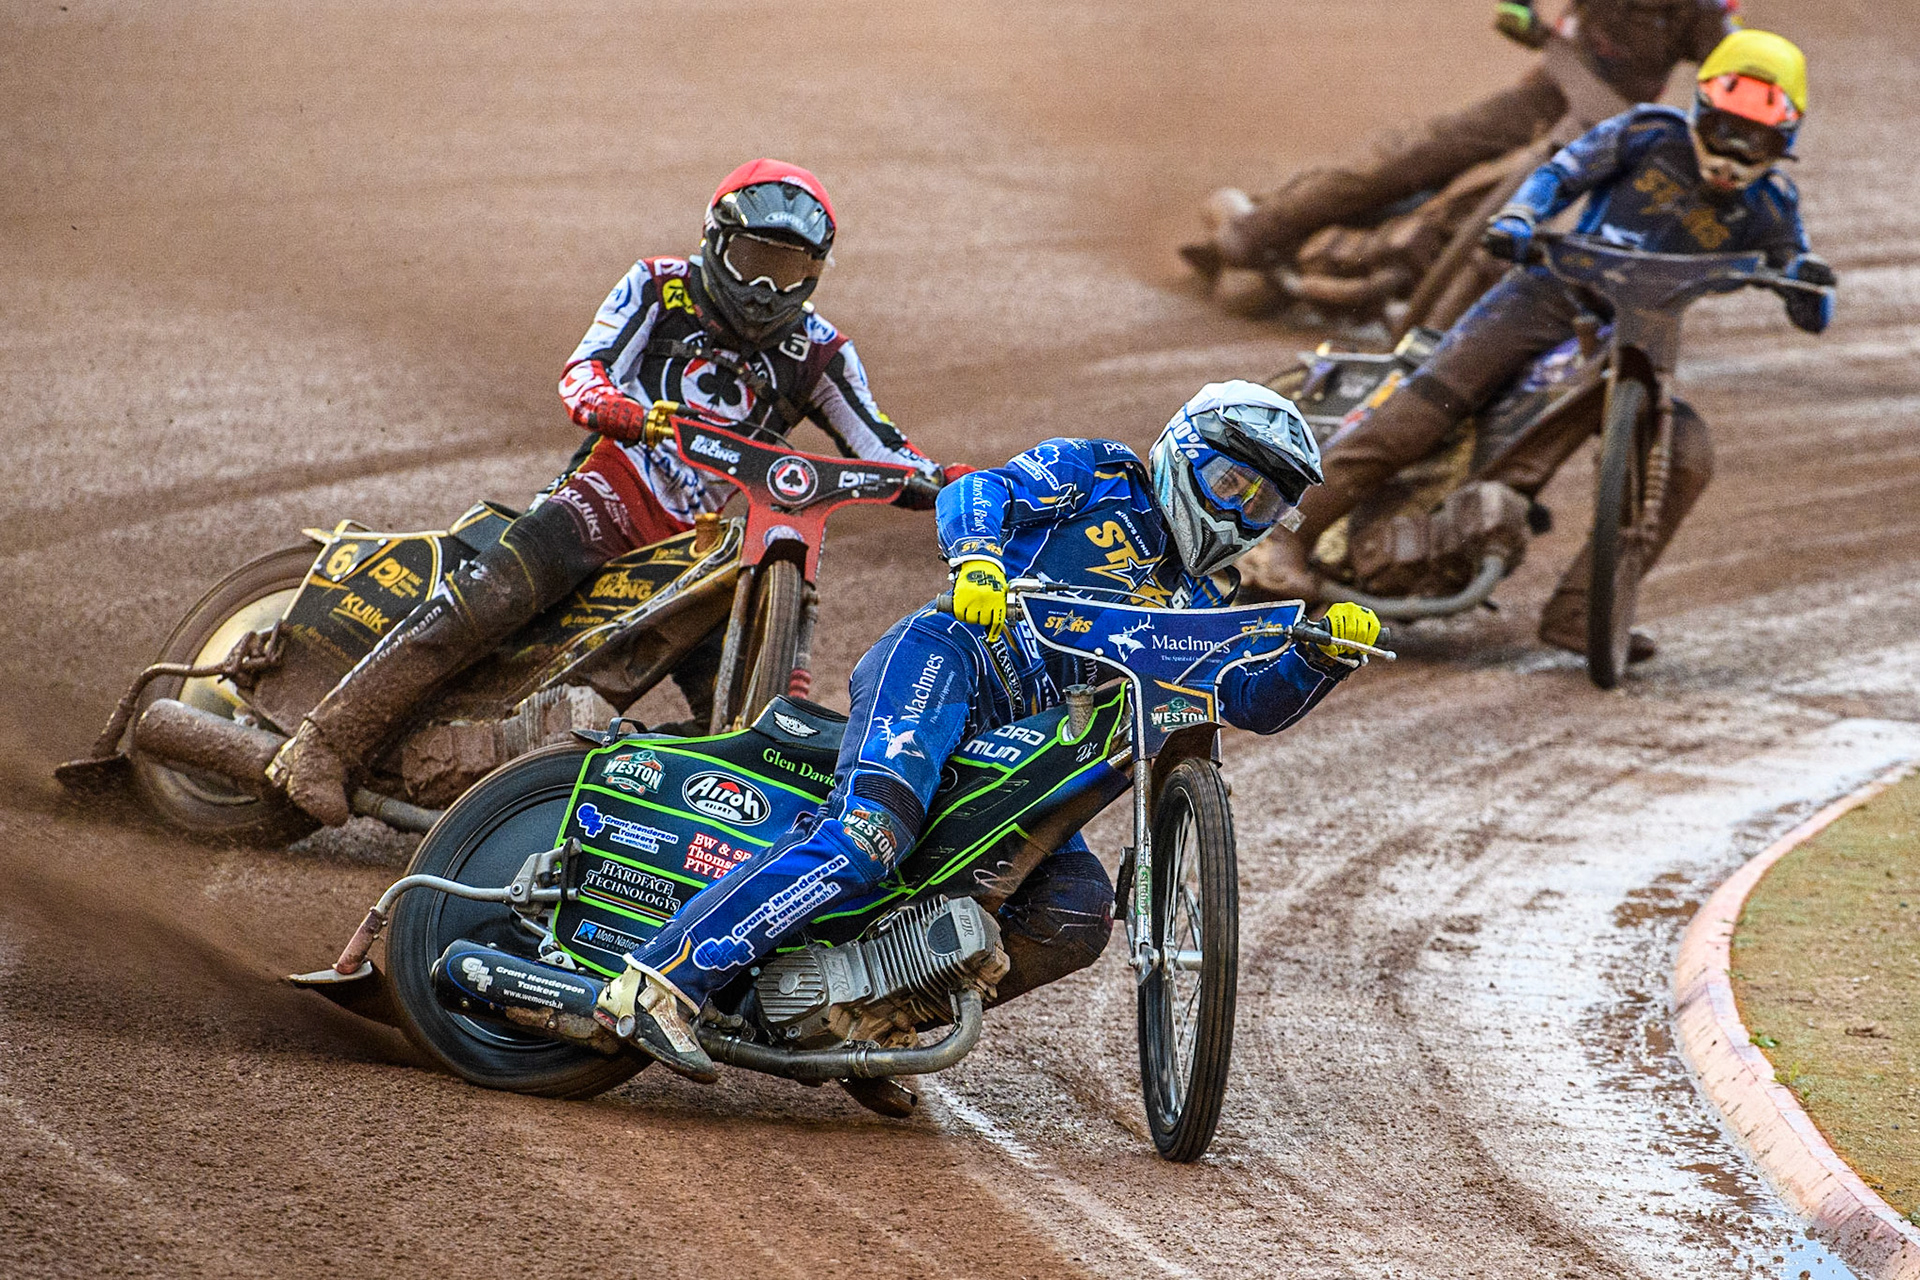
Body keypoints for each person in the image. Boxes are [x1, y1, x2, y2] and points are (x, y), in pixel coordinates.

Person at [590, 381, 1382, 1106]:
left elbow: (1247, 699)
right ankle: (657, 983)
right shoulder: (1101, 473)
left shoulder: (1212, 593)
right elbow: (981, 490)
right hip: (950, 662)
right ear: (1183, 452)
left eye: (1261, 503)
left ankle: (862, 1025)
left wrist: (1318, 658)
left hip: (1030, 755)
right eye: (1229, 483)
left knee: (1074, 913)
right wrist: (977, 559)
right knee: (869, 837)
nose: (1238, 512)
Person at [271, 159, 951, 826]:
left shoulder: (821, 352)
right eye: (752, 259)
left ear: (816, 273)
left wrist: (956, 485)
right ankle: (324, 743)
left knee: (738, 704)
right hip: (609, 487)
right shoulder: (659, 287)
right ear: (715, 241)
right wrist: (627, 413)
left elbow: (884, 450)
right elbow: (584, 372)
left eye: (790, 270)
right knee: (500, 590)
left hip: (696, 547)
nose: (765, 288)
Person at [1239, 30, 1834, 660]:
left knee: (1684, 455)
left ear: (1784, 142)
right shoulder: (1649, 134)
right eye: (1724, 128)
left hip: (1644, 333)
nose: (1734, 152)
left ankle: (1582, 613)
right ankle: (1286, 536)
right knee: (1434, 403)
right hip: (1548, 294)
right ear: (1701, 110)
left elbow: (1810, 294)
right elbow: (1562, 170)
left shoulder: (1772, 206)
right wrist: (1522, 216)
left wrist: (1808, 287)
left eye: (1756, 139)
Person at [1182, 0, 1740, 313]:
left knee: (1502, 207)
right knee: (1419, 155)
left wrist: (1721, 136)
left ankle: (1391, 278)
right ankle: (1253, 230)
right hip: (1547, 89)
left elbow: (1734, 70)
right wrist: (1519, 11)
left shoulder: (1703, 12)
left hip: (1608, 130)